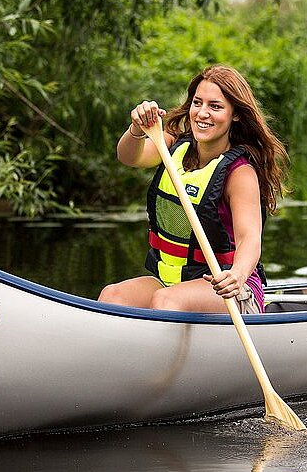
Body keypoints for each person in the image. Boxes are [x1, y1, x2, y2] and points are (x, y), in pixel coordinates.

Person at [98, 65, 289, 313]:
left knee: (167, 301)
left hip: (231, 290)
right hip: (171, 281)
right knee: (112, 295)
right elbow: (129, 157)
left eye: (215, 106)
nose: (202, 113)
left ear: (236, 115)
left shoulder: (240, 173)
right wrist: (136, 130)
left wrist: (237, 276)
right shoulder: (173, 144)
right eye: (197, 103)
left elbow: (250, 239)